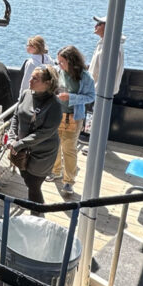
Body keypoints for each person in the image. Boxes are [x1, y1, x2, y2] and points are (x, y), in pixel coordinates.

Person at [8, 65, 62, 205]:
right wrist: (12, 135)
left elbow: (45, 133)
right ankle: (34, 205)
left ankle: (37, 212)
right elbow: (16, 116)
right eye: (31, 77)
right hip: (22, 150)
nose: (30, 80)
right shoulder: (26, 94)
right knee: (26, 178)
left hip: (42, 154)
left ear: (47, 83)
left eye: (35, 78)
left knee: (34, 185)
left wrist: (20, 144)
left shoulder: (54, 104)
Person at [52, 45, 95, 195]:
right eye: (58, 62)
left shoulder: (85, 77)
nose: (59, 65)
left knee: (69, 149)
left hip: (74, 118)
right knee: (55, 144)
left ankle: (69, 181)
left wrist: (71, 97)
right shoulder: (58, 72)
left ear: (71, 61)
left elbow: (91, 97)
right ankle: (56, 170)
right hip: (58, 115)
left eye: (62, 62)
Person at [88, 15, 125, 96]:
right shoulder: (106, 43)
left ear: (107, 27)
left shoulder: (111, 46)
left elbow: (107, 73)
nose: (95, 26)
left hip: (100, 93)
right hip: (96, 91)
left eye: (99, 23)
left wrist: (95, 91)